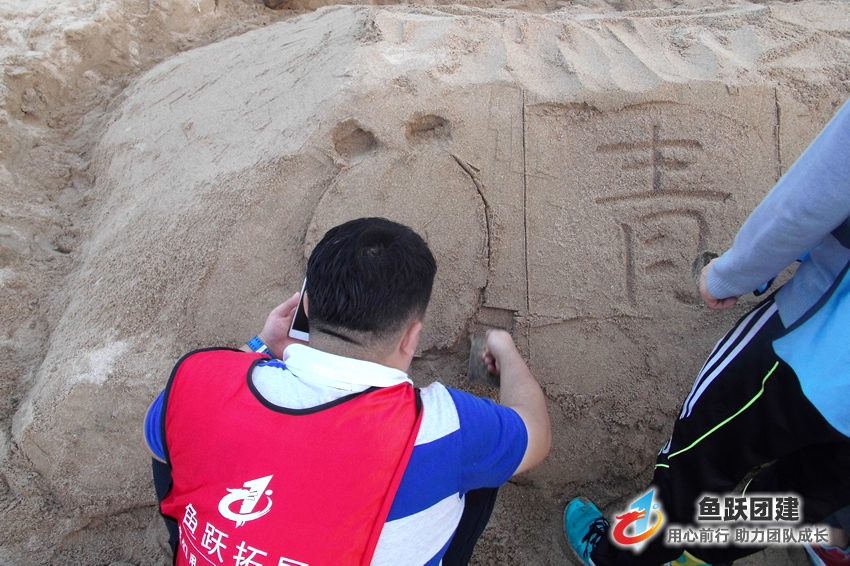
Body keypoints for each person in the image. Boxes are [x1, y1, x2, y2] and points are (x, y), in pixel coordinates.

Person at [144, 217, 551, 566]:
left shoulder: (194, 378)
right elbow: (535, 433)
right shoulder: (443, 429)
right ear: (411, 338)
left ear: (305, 307)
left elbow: (160, 444)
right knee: (485, 464)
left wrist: (262, 344)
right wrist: (504, 351)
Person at [565, 98, 850, 566]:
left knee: (694, 462)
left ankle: (619, 554)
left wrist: (735, 273)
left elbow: (810, 199)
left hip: (813, 350)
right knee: (804, 493)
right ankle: (700, 555)